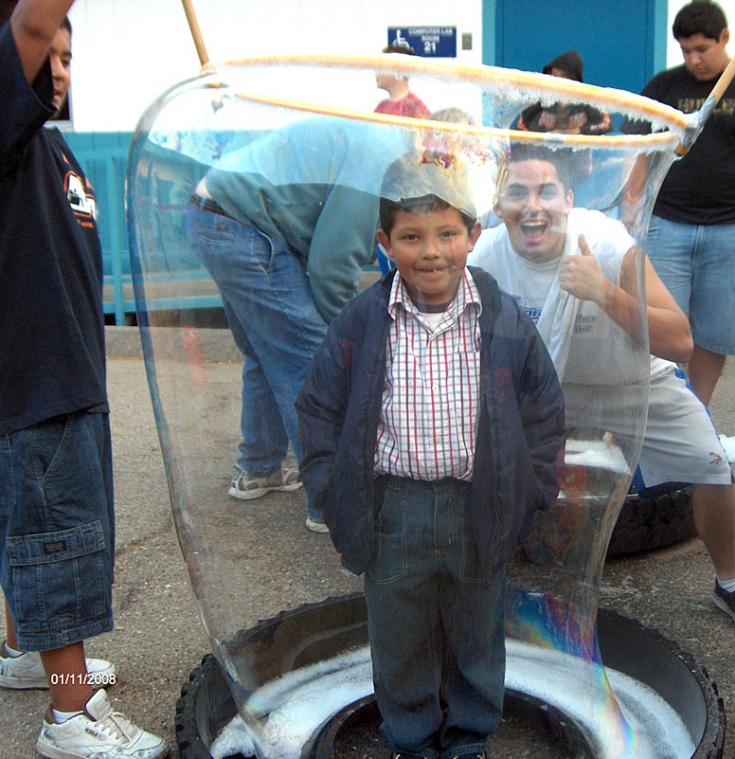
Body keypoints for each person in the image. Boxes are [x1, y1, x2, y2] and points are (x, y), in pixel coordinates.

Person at [296, 152, 565, 759]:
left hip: (481, 506)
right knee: (400, 636)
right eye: (412, 237)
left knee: (476, 632)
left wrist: (534, 489)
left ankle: (470, 737)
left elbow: (543, 407)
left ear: (473, 235)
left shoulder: (501, 320)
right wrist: (327, 487)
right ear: (385, 243)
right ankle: (412, 738)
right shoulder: (364, 320)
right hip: (394, 512)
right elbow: (318, 407)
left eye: (447, 233)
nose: (432, 251)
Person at [469, 142, 735, 639]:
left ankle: (731, 581)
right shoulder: (484, 254)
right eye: (517, 193)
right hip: (545, 389)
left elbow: (680, 340)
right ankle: (482, 571)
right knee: (473, 456)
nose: (533, 207)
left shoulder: (608, 243)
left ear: (569, 199)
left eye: (546, 191)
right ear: (499, 204)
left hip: (632, 382)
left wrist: (604, 292)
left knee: (712, 466)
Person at [0, 2, 169, 758]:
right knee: (55, 538)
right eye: (47, 55)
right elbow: (32, 22)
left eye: (70, 58)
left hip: (66, 370)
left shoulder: (48, 147)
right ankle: (70, 715)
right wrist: (36, 30)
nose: (58, 70)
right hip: (38, 382)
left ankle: (16, 649)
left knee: (28, 529)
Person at [185, 116, 410, 530]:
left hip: (214, 212)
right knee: (310, 363)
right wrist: (349, 342)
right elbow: (330, 266)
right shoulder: (382, 156)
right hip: (240, 223)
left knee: (267, 348)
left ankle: (259, 466)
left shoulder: (379, 137)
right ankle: (331, 503)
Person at [625, 0, 735, 406]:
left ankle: (698, 412)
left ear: (725, 38)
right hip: (667, 228)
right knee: (662, 330)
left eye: (703, 48)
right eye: (686, 50)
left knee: (714, 334)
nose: (694, 60)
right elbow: (640, 153)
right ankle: (663, 413)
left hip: (734, 234)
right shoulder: (664, 88)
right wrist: (632, 212)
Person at [514, 50, 612, 135]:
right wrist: (546, 135)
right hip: (543, 155)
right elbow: (521, 128)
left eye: (564, 77)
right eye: (554, 76)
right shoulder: (540, 104)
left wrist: (581, 131)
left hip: (578, 155)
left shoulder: (587, 105)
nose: (558, 81)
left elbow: (606, 124)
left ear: (574, 80)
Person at [375, 44, 431, 119]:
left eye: (381, 68)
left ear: (397, 71)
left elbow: (427, 129)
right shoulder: (381, 106)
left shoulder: (414, 107)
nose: (377, 74)